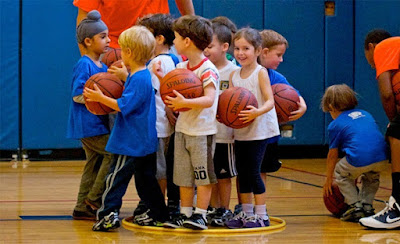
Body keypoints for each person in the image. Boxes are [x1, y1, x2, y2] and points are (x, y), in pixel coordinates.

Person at [84, 25, 168, 231]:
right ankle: (160, 214)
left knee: (115, 179)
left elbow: (123, 106)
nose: (119, 53)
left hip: (130, 142)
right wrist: (124, 74)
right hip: (144, 140)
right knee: (146, 182)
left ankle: (107, 215)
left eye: (121, 49)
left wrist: (100, 98)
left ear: (129, 53)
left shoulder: (140, 78)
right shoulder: (140, 74)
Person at [153, 15, 219, 230]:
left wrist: (186, 101)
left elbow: (209, 99)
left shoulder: (208, 69)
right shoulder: (181, 66)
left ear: (187, 41)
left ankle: (200, 214)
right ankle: (184, 213)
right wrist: (164, 78)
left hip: (202, 131)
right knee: (183, 177)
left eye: (177, 37)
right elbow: (175, 90)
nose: (175, 40)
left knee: (202, 175)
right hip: (182, 129)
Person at [225, 28, 280, 228]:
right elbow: (229, 104)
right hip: (241, 131)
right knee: (242, 172)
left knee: (253, 172)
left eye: (246, 48)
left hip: (260, 129)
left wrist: (256, 112)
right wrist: (224, 116)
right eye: (237, 48)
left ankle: (262, 214)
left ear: (257, 50)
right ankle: (246, 214)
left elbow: (269, 102)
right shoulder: (234, 74)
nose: (240, 53)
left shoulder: (260, 72)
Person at [66, 10, 112, 221]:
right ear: (87, 41)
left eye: (107, 35)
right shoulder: (84, 64)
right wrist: (100, 98)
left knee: (93, 163)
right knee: (112, 154)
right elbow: (77, 95)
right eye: (102, 37)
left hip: (98, 124)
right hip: (87, 124)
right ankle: (93, 199)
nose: (108, 40)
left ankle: (81, 206)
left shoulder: (102, 66)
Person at [135, 13, 181, 218]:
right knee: (160, 168)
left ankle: (157, 207)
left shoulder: (159, 63)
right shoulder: (171, 59)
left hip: (159, 124)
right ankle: (160, 204)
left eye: (146, 36)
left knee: (158, 169)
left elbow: (159, 91)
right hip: (162, 123)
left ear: (160, 38)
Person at [321, 84, 388, 222]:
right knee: (371, 176)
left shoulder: (335, 124)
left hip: (359, 159)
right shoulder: (366, 114)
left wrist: (329, 179)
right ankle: (367, 205)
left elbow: (332, 154)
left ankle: (355, 206)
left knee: (340, 172)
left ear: (331, 106)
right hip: (382, 157)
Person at [359, 29, 400, 229]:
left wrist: (393, 121)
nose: (370, 62)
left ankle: (398, 207)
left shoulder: (383, 47)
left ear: (371, 47)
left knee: (396, 133)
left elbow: (387, 94)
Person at [203, 18, 239, 227]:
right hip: (205, 132)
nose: (206, 51)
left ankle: (224, 209)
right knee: (209, 175)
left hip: (226, 134)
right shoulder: (202, 70)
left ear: (225, 47)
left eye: (210, 46)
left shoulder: (233, 72)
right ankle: (213, 209)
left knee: (224, 176)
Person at [258, 29, 307, 175]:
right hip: (246, 134)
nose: (281, 60)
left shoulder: (275, 77)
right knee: (245, 173)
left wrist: (302, 106)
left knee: (262, 172)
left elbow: (294, 94)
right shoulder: (243, 73)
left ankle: (261, 199)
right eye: (278, 55)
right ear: (264, 52)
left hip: (268, 135)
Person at [73, 0, 195, 49]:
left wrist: (193, 33)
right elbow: (85, 16)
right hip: (116, 48)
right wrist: (89, 58)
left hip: (158, 44)